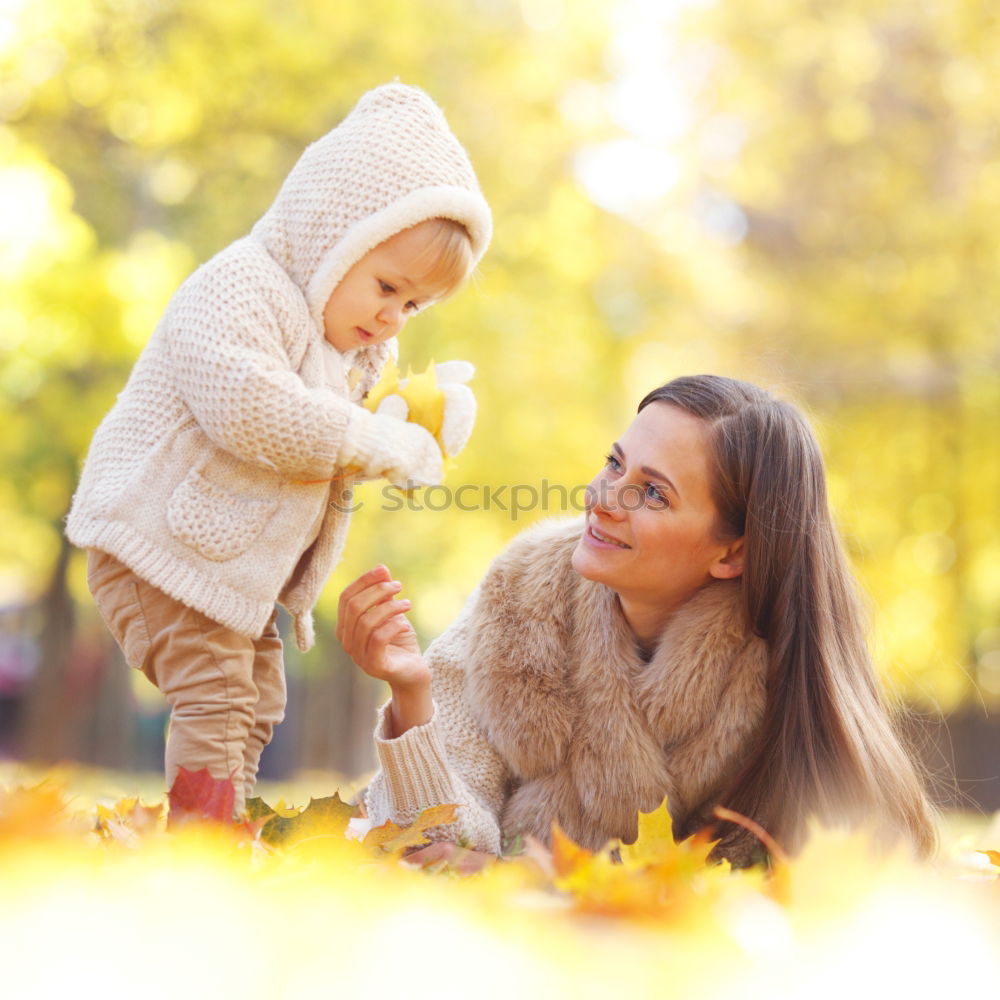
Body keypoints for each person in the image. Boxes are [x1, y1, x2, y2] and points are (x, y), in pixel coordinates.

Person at [66, 83, 492, 814]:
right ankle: (205, 851)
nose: (393, 317)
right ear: (331, 235)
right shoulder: (240, 286)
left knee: (256, 703)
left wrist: (414, 421)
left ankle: (225, 828)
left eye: (414, 306)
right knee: (218, 695)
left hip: (227, 571)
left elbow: (335, 453)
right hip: (152, 540)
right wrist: (372, 438)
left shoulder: (352, 352)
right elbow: (252, 408)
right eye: (386, 286)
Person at [337, 375, 937, 866]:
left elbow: (784, 884)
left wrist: (531, 881)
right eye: (615, 463)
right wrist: (412, 696)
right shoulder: (519, 592)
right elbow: (434, 842)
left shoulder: (776, 670)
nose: (603, 498)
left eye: (653, 494)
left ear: (733, 553)